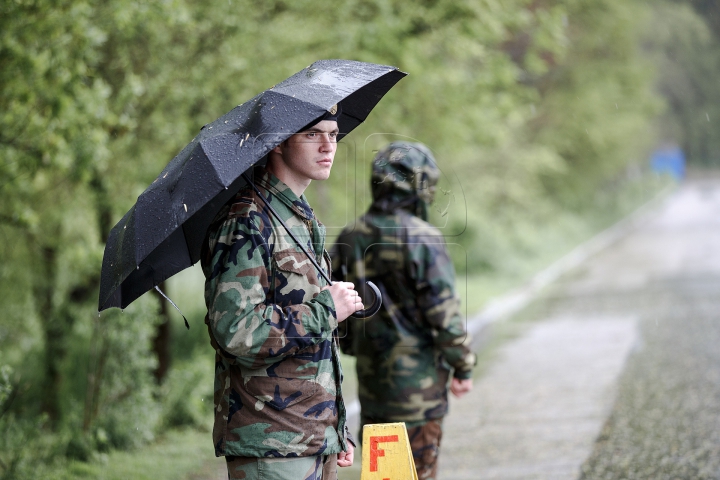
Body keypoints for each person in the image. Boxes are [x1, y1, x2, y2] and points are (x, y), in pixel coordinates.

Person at [201, 105, 360, 480]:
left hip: (312, 438)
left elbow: (311, 346)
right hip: (270, 445)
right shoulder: (247, 220)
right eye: (312, 134)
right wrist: (325, 311)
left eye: (333, 135)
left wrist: (334, 427)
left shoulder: (299, 220)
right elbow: (236, 331)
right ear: (278, 143)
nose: (328, 146)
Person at [331, 142, 476, 480]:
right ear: (419, 185)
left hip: (375, 391)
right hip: (420, 397)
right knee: (419, 475)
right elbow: (445, 317)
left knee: (389, 477)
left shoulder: (349, 238)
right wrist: (463, 366)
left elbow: (338, 321)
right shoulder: (424, 239)